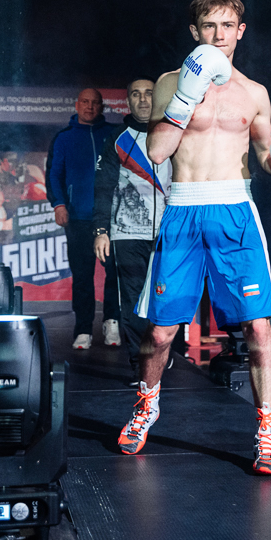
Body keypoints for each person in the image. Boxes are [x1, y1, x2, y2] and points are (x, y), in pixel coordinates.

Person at [119, 0, 271, 476]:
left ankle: (267, 431)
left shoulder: (255, 93)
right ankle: (146, 405)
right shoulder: (170, 83)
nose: (219, 35)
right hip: (184, 209)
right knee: (160, 332)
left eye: (228, 25)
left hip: (235, 211)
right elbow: (157, 152)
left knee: (259, 328)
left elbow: (265, 159)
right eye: (209, 25)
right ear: (195, 31)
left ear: (241, 31)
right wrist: (188, 94)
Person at [91, 77, 172, 381]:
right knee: (135, 302)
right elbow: (103, 187)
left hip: (170, 233)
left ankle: (163, 356)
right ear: (128, 101)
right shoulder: (117, 138)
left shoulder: (174, 134)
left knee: (167, 299)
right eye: (135, 94)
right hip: (127, 234)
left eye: (149, 93)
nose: (142, 99)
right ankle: (142, 366)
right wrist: (101, 230)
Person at [46, 87, 117, 350]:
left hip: (112, 219)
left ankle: (112, 322)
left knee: (115, 274)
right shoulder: (64, 138)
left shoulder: (114, 134)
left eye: (95, 103)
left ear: (102, 107)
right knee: (83, 277)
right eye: (85, 102)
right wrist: (59, 204)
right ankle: (84, 329)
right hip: (78, 218)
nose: (90, 107)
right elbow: (54, 174)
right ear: (77, 105)